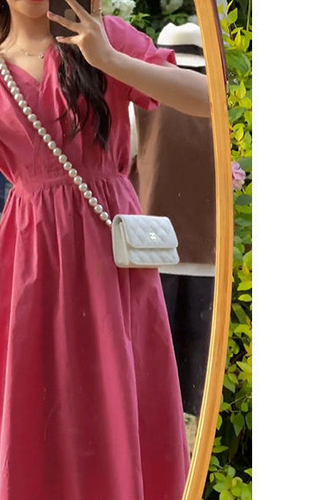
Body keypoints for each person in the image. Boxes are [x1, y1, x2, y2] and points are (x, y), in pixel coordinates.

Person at [0, 0, 210, 498]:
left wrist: (110, 61)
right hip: (27, 257)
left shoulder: (103, 36)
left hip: (109, 252)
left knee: (111, 389)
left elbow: (209, 101)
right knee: (31, 398)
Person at [131, 22, 216, 420]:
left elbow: (120, 161)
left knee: (151, 371)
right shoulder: (224, 106)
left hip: (152, 245)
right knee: (200, 375)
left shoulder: (140, 103)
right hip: (210, 250)